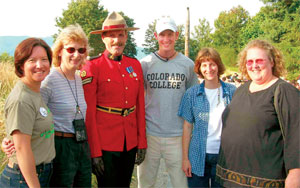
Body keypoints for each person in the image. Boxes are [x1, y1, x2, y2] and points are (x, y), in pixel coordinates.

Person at [2, 24, 92, 187]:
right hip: (60, 147)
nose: (76, 54)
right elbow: (28, 114)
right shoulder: (48, 79)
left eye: (81, 50)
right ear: (59, 51)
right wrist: (9, 140)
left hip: (80, 144)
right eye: (71, 50)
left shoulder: (79, 79)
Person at [216, 39, 300, 188]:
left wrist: (295, 174)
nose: (254, 66)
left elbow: (296, 135)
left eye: (259, 60)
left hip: (264, 182)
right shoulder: (242, 89)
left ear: (272, 62)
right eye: (250, 62)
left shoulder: (283, 91)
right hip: (229, 180)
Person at [79, 11, 147, 187]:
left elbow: (140, 107)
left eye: (121, 35)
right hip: (105, 143)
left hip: (130, 141)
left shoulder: (134, 65)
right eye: (111, 36)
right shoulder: (92, 66)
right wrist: (94, 152)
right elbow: (90, 114)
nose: (117, 40)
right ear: (103, 38)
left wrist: (141, 142)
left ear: (126, 36)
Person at [137, 16, 199, 188]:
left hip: (178, 136)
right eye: (162, 34)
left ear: (177, 35)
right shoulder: (145, 64)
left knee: (180, 183)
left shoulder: (187, 65)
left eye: (170, 34)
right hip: (150, 134)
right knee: (146, 183)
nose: (166, 39)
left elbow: (194, 99)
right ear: (156, 36)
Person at [0, 38, 55, 187]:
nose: (39, 65)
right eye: (32, 60)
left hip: (38, 174)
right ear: (21, 65)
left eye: (44, 59)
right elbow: (22, 149)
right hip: (23, 179)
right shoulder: (21, 100)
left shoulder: (35, 92)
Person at [178, 48, 236, 188]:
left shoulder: (232, 91)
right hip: (198, 155)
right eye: (204, 65)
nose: (209, 69)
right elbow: (187, 126)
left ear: (218, 66)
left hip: (224, 157)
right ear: (199, 68)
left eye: (212, 64)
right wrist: (185, 159)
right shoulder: (191, 94)